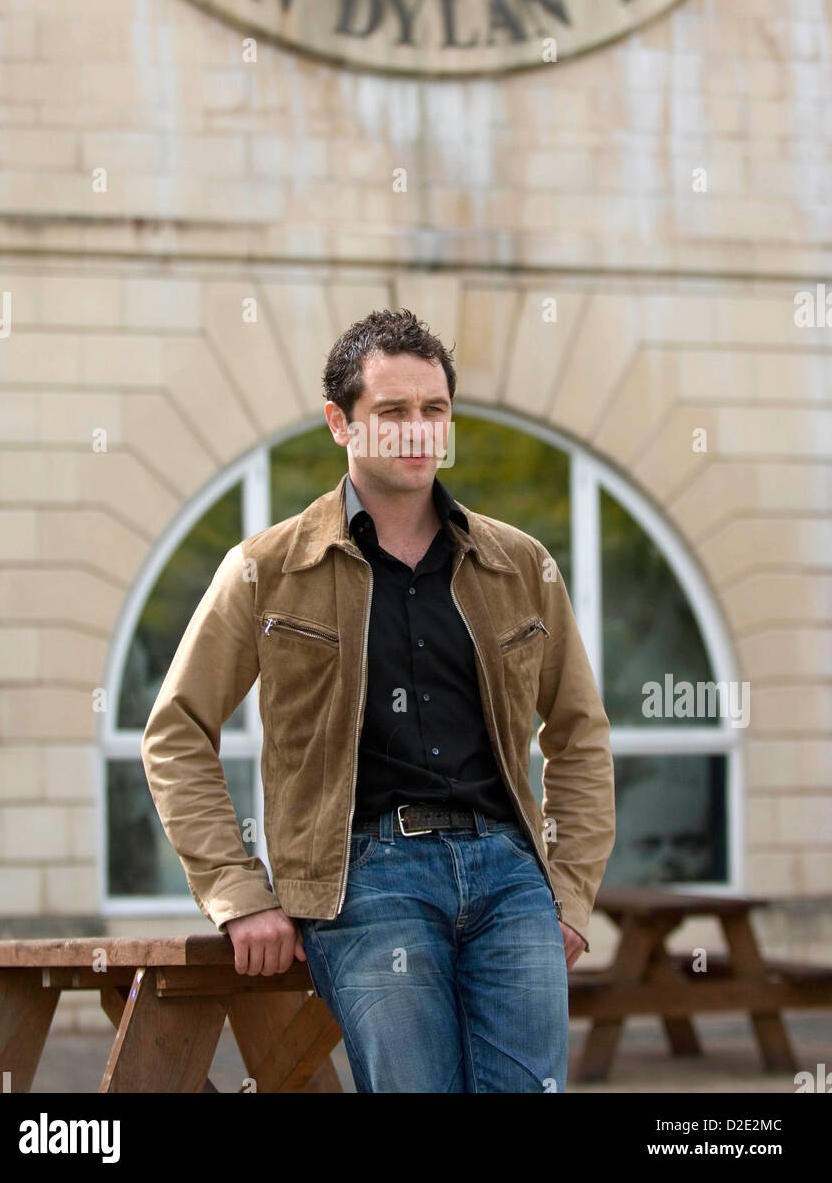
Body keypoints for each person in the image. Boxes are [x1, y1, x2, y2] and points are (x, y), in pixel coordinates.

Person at [141, 307, 615, 1092]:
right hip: (364, 878)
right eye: (391, 411)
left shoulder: (520, 565)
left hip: (509, 875)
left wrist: (566, 891)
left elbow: (579, 733)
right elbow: (177, 731)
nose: (416, 430)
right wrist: (237, 890)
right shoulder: (268, 568)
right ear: (340, 423)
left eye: (433, 410)